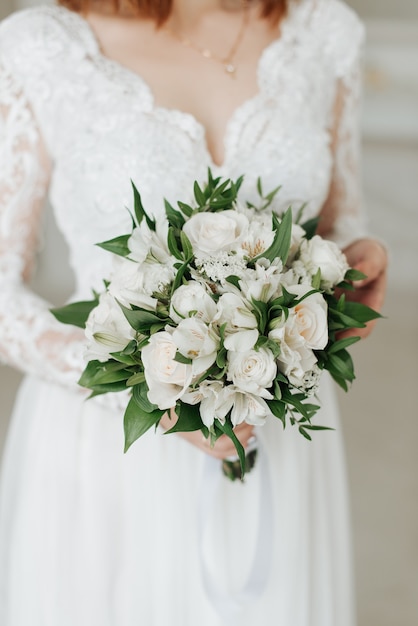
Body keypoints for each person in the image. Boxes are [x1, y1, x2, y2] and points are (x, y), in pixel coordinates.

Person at [0, 0, 387, 624]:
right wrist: (145, 384)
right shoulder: (40, 45)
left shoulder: (324, 32)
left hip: (272, 434)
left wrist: (358, 261)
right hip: (107, 453)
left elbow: (341, 225)